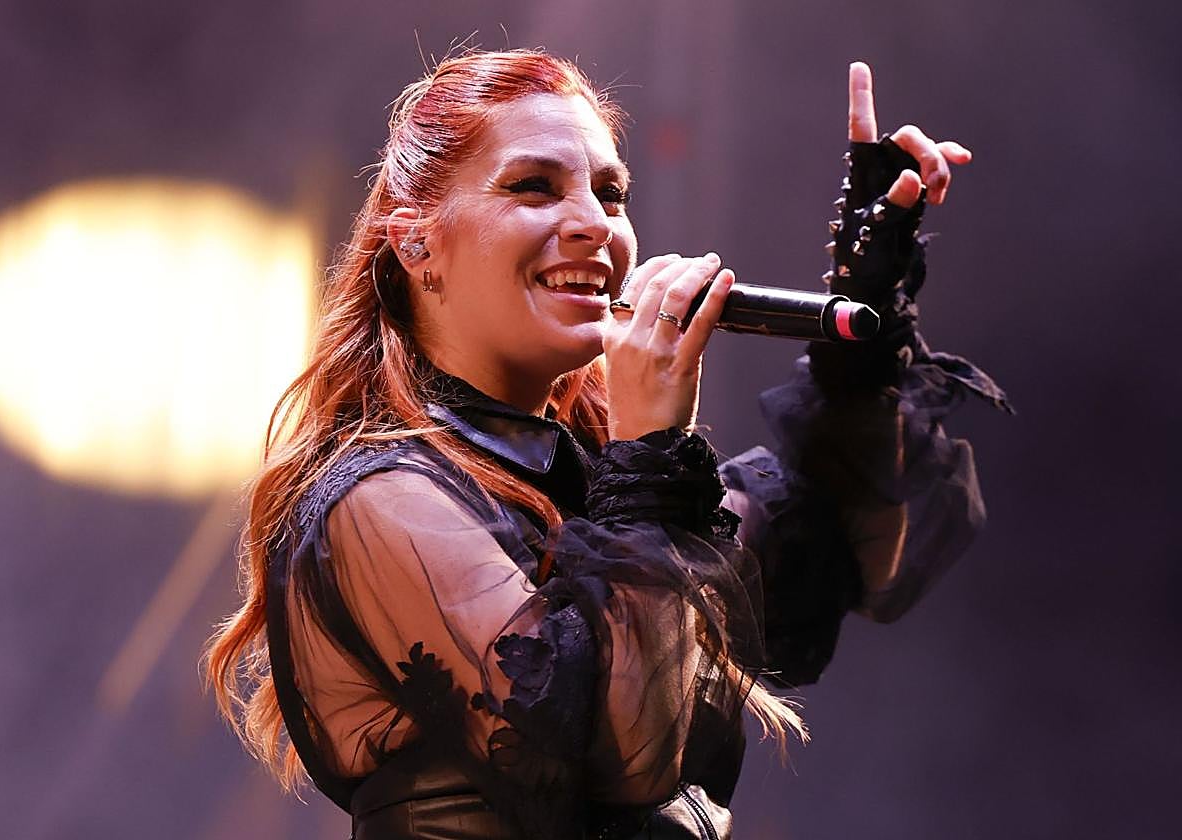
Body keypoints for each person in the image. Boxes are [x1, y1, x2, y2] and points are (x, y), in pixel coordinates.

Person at [204, 50, 1007, 839]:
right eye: (533, 186)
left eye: (611, 192)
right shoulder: (378, 500)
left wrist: (867, 305)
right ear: (416, 243)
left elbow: (849, 541)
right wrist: (652, 443)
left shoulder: (611, 493)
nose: (595, 222)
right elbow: (626, 760)